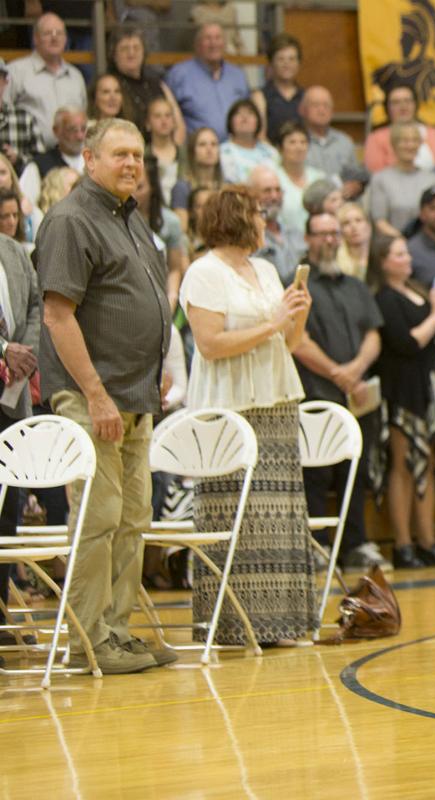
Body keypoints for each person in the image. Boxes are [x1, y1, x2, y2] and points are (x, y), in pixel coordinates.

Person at [38, 118, 174, 673]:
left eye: (138, 155)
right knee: (98, 515)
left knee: (134, 515)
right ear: (89, 160)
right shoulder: (71, 219)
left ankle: (118, 633)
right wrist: (95, 394)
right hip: (92, 394)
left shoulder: (133, 220)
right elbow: (56, 314)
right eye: (120, 154)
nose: (132, 164)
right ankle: (86, 640)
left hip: (135, 396)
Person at [179, 185, 319, 646]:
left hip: (275, 399)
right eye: (258, 212)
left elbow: (288, 344)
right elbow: (210, 344)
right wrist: (275, 323)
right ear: (237, 218)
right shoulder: (204, 272)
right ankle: (231, 623)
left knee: (278, 515)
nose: (264, 219)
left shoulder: (263, 268)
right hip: (229, 405)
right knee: (232, 515)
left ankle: (281, 622)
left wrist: (295, 316)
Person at [291, 212, 389, 570]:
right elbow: (297, 341)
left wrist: (355, 370)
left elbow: (373, 334)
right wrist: (337, 374)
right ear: (308, 239)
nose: (330, 240)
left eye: (334, 234)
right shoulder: (299, 287)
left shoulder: (355, 285)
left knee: (356, 472)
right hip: (316, 391)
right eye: (322, 234)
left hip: (357, 393)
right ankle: (316, 545)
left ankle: (355, 544)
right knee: (316, 473)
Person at [370, 233, 435, 569]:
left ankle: (428, 541)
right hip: (400, 389)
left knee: (428, 464)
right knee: (403, 465)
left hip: (428, 386)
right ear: (383, 262)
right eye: (399, 254)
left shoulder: (420, 291)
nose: (407, 258)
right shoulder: (385, 299)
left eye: (407, 252)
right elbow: (408, 342)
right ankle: (403, 544)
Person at [0, 229, 42, 648]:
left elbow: (34, 306)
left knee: (6, 514)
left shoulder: (12, 251)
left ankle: (0, 619)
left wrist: (22, 352)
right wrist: (1, 348)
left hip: (8, 397)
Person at [7, 13, 86, 150]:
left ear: (66, 39)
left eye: (59, 33)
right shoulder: (15, 72)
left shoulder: (75, 76)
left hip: (70, 157)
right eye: (47, 33)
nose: (54, 38)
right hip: (28, 155)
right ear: (35, 38)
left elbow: (83, 116)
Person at [165, 23, 249, 140]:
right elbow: (166, 115)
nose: (213, 44)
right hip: (195, 152)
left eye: (217, 38)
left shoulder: (238, 75)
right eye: (208, 38)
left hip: (234, 151)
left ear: (224, 44)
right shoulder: (179, 74)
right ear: (197, 45)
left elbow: (248, 112)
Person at [107, 26, 186, 142]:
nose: (131, 53)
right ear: (114, 55)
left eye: (136, 48)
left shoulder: (157, 84)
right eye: (124, 49)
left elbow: (179, 126)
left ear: (144, 52)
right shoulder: (110, 86)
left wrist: (174, 154)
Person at [368, 121, 435, 239]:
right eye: (404, 140)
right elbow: (379, 221)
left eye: (414, 140)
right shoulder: (380, 179)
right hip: (392, 246)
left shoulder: (432, 179)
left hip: (428, 244)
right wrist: (402, 242)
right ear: (394, 144)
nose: (410, 145)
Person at [133, 155, 187, 309]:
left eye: (140, 187)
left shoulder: (170, 222)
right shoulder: (116, 219)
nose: (133, 194)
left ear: (153, 187)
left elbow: (174, 268)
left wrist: (171, 300)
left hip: (160, 296)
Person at [363, 83, 435, 173]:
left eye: (408, 101)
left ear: (415, 104)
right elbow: (375, 174)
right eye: (396, 102)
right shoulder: (376, 138)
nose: (403, 107)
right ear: (387, 108)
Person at [19, 105, 84, 208]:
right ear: (56, 131)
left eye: (83, 129)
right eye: (73, 130)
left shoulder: (96, 161)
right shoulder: (39, 165)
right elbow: (26, 205)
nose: (80, 136)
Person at [274, 120, 325, 248]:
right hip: (283, 245)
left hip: (317, 244)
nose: (299, 147)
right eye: (292, 142)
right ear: (280, 148)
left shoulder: (319, 178)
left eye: (303, 142)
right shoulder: (273, 179)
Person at [247, 164, 300, 283]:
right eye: (267, 191)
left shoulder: (295, 233)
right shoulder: (247, 238)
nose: (274, 196)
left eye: (278, 190)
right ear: (251, 195)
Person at [250, 33, 304, 146]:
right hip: (271, 157)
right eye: (281, 59)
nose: (286, 64)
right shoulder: (260, 96)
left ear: (298, 63)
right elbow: (260, 136)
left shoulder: (306, 96)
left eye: (292, 59)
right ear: (271, 63)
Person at [171, 126, 224, 233]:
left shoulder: (227, 187)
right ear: (192, 152)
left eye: (214, 144)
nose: (209, 149)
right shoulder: (182, 188)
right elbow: (182, 231)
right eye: (202, 144)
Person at [300, 86, 357, 180]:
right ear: (302, 110)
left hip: (342, 193)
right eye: (315, 105)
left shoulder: (345, 141)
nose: (321, 110)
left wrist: (356, 184)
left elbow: (355, 176)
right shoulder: (296, 142)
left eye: (326, 105)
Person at [218, 99, 279, 184]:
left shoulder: (271, 153)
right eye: (238, 113)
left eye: (250, 113)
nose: (244, 118)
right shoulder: (220, 152)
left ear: (258, 121)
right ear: (230, 121)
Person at [0, 57, 43, 174]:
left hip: (18, 186)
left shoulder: (25, 118)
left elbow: (42, 161)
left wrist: (18, 159)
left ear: (5, 82)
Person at [146, 96, 181, 202]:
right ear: (147, 123)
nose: (164, 120)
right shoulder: (142, 155)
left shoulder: (185, 153)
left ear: (174, 122)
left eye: (168, 115)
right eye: (157, 116)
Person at [335, 202, 370, 281]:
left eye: (358, 220)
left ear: (368, 225)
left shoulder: (380, 257)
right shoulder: (336, 264)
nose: (354, 227)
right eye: (346, 223)